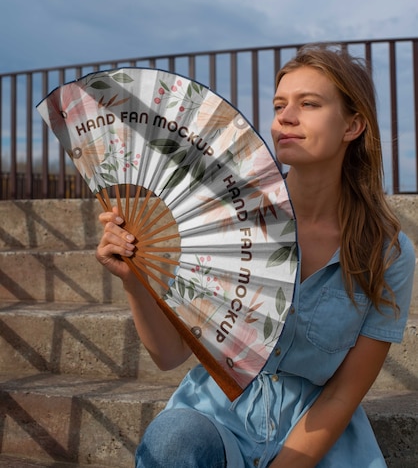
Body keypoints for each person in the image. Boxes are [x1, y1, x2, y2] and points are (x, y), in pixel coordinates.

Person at [95, 44, 415, 467]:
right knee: (173, 440)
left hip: (316, 436)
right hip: (217, 421)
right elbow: (169, 354)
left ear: (352, 125)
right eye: (279, 104)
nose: (285, 117)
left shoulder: (387, 252)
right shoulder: (227, 218)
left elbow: (342, 394)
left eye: (309, 104)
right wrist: (133, 279)